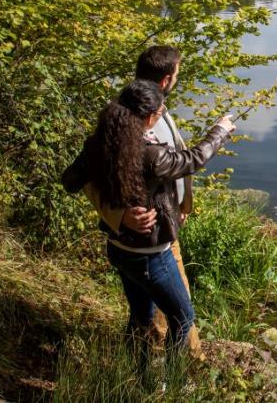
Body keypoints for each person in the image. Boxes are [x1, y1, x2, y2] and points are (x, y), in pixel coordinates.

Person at [62, 80, 236, 363]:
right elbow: (192, 160)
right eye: (160, 109)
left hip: (118, 249)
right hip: (150, 257)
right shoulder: (152, 155)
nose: (164, 110)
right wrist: (220, 131)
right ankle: (168, 382)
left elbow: (71, 180)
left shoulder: (100, 142)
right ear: (148, 117)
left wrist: (116, 214)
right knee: (183, 317)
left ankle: (139, 374)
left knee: (141, 317)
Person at [87, 45, 203, 355]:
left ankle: (139, 376)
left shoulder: (154, 109)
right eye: (177, 73)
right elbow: (85, 177)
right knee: (180, 314)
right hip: (147, 243)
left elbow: (167, 169)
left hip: (160, 230)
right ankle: (181, 376)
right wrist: (119, 215)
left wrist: (181, 207)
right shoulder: (128, 116)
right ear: (166, 79)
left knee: (147, 314)